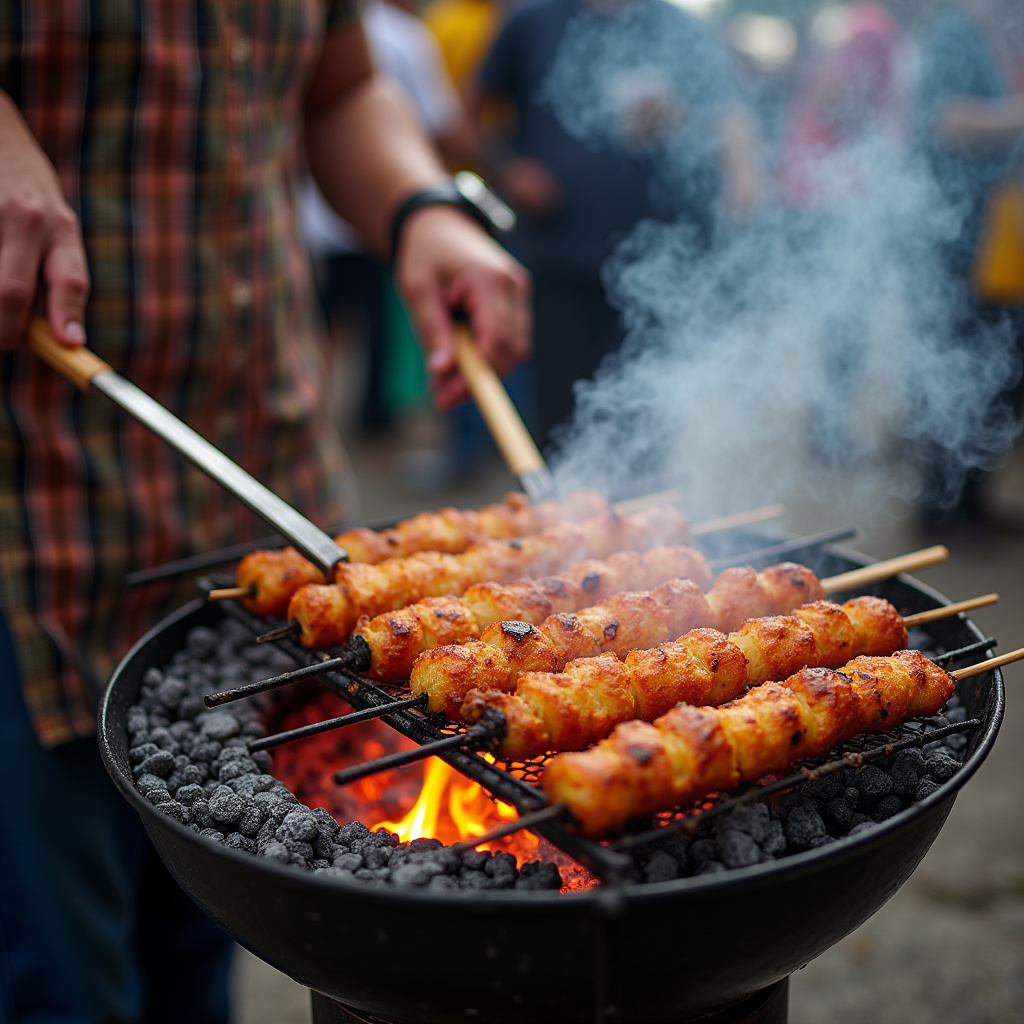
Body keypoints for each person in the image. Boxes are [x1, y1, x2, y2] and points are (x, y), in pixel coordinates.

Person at [0, 2, 530, 1021]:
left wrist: (422, 209)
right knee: (56, 987)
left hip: (264, 509)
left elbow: (338, 87)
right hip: (33, 532)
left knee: (202, 958)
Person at [472, 0, 758, 448]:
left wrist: (729, 177)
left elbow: (727, 114)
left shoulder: (676, 26)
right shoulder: (532, 21)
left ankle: (649, 512)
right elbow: (467, 115)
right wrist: (509, 170)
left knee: (648, 419)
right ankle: (562, 511)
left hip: (657, 266)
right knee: (560, 418)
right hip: (557, 257)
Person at [914, 0, 1024, 532]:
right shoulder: (956, 32)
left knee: (999, 373)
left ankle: (974, 496)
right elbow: (948, 121)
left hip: (1003, 237)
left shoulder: (1005, 32)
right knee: (962, 369)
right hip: (961, 236)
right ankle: (941, 505)